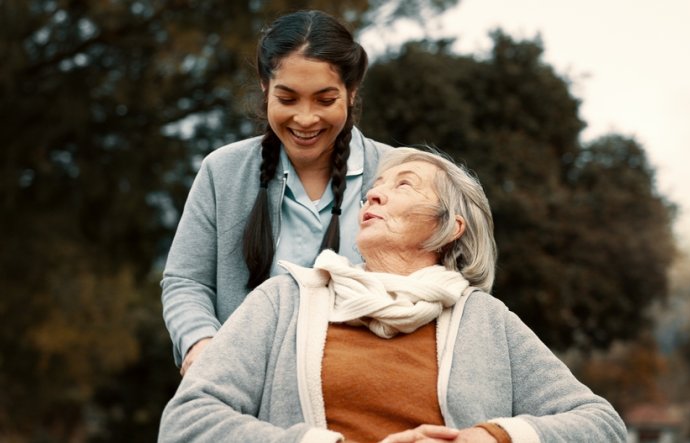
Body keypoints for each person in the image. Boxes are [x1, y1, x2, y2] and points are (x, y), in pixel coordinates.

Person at [158, 147, 627, 442]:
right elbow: (187, 421)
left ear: (450, 227)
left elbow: (601, 425)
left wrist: (490, 438)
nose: (373, 197)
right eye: (374, 188)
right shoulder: (284, 300)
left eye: (403, 186)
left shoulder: (486, 319)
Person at [161, 10, 391, 374]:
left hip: (367, 385)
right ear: (265, 88)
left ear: (351, 93)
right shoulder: (222, 171)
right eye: (287, 99)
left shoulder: (400, 173)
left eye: (325, 100)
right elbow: (187, 281)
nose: (305, 118)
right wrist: (200, 343)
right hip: (247, 386)